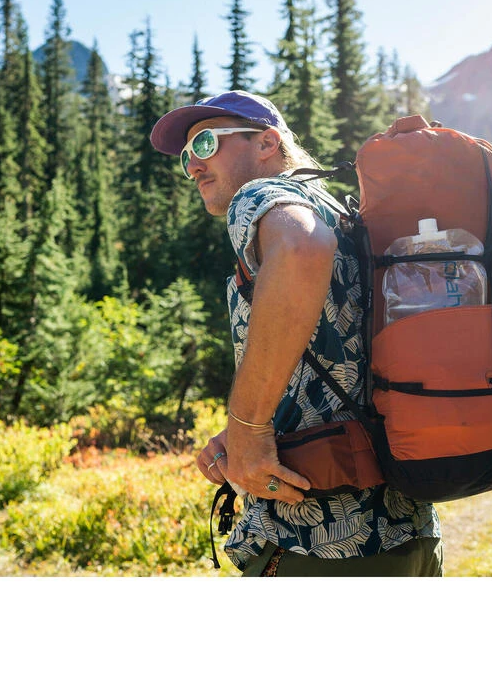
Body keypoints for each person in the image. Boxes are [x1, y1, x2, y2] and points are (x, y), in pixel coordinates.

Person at [150, 90, 442, 576]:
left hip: (317, 539)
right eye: (185, 157)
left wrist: (249, 426)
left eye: (205, 144)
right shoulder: (342, 212)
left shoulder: (260, 195)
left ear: (267, 143)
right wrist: (252, 424)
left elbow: (302, 247)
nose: (193, 166)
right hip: (408, 527)